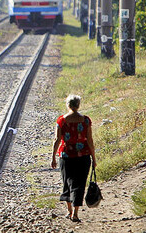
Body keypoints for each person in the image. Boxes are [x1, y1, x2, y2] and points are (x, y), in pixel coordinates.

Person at [50, 94, 97, 222]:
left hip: (66, 156)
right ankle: (75, 213)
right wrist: (94, 158)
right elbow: (90, 141)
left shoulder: (61, 121)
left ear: (68, 105)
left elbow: (57, 139)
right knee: (79, 184)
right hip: (83, 156)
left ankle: (69, 210)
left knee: (67, 182)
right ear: (78, 105)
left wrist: (53, 156)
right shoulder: (86, 120)